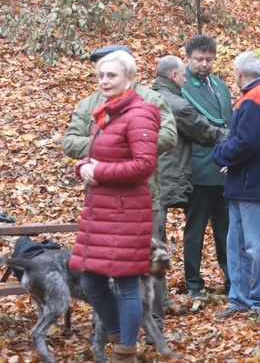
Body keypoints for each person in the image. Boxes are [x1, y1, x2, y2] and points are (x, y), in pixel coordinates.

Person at [62, 44, 177, 335]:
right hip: (100, 199)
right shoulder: (94, 105)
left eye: (111, 72)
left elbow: (165, 139)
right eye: (100, 72)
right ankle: (115, 335)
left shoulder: (148, 102)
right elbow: (71, 142)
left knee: (140, 274)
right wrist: (86, 165)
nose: (103, 79)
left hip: (138, 200)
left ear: (129, 74)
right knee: (95, 276)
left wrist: (112, 156)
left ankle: (148, 332)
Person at [211, 51, 260, 318]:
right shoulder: (259, 94)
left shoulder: (257, 96)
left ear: (238, 73)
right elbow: (251, 143)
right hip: (244, 182)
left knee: (257, 245)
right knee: (239, 245)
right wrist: (231, 162)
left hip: (251, 183)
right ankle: (240, 300)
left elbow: (246, 143)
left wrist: (219, 154)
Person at [152, 56, 228, 314]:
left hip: (155, 177)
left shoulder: (152, 96)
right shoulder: (176, 104)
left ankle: (159, 302)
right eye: (183, 75)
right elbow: (204, 131)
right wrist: (235, 137)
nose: (186, 79)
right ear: (173, 76)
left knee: (156, 240)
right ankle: (158, 306)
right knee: (155, 241)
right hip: (161, 179)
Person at [181, 35, 233, 297]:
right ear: (187, 58)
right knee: (195, 230)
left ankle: (231, 279)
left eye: (209, 59)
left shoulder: (220, 85)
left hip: (223, 170)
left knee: (226, 230)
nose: (204, 64)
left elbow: (229, 121)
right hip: (199, 169)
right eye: (199, 59)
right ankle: (193, 282)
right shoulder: (182, 87)